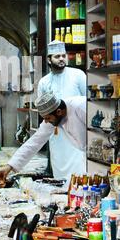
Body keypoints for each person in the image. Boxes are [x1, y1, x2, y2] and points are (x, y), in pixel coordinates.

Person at [0, 92, 86, 184]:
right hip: (88, 159)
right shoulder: (53, 116)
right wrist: (10, 166)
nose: (47, 122)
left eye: (48, 118)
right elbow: (35, 141)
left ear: (59, 112)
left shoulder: (80, 106)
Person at [37, 40, 86, 180]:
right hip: (56, 134)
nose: (61, 59)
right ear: (49, 59)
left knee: (79, 171)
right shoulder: (44, 82)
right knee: (59, 173)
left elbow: (88, 101)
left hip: (77, 131)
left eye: (63, 56)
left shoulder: (78, 75)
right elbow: (44, 111)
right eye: (57, 56)